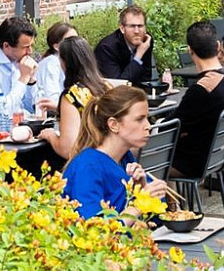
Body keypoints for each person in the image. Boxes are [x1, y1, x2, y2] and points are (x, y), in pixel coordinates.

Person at [62, 85, 168, 220]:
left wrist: (144, 189)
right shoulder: (88, 166)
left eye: (147, 118)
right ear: (114, 125)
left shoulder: (125, 158)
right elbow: (95, 227)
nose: (148, 126)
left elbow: (158, 218)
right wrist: (140, 204)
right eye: (139, 119)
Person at [170, 21, 224, 178]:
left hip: (193, 164)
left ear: (190, 50)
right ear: (218, 46)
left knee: (136, 157)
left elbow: (171, 125)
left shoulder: (201, 89)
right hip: (215, 156)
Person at [43, 36, 108, 161]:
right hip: (111, 159)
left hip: (89, 163)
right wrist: (59, 108)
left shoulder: (72, 96)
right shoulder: (105, 86)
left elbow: (68, 149)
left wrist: (50, 136)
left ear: (65, 62)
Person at [93, 5, 154, 86]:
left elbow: (145, 78)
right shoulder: (107, 48)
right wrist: (138, 56)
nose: (137, 31)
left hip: (135, 91)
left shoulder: (146, 41)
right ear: (122, 28)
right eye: (132, 26)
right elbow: (118, 86)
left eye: (140, 26)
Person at [34, 21, 77, 116]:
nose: (75, 44)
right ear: (56, 46)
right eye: (69, 41)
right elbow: (52, 98)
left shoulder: (70, 61)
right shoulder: (51, 63)